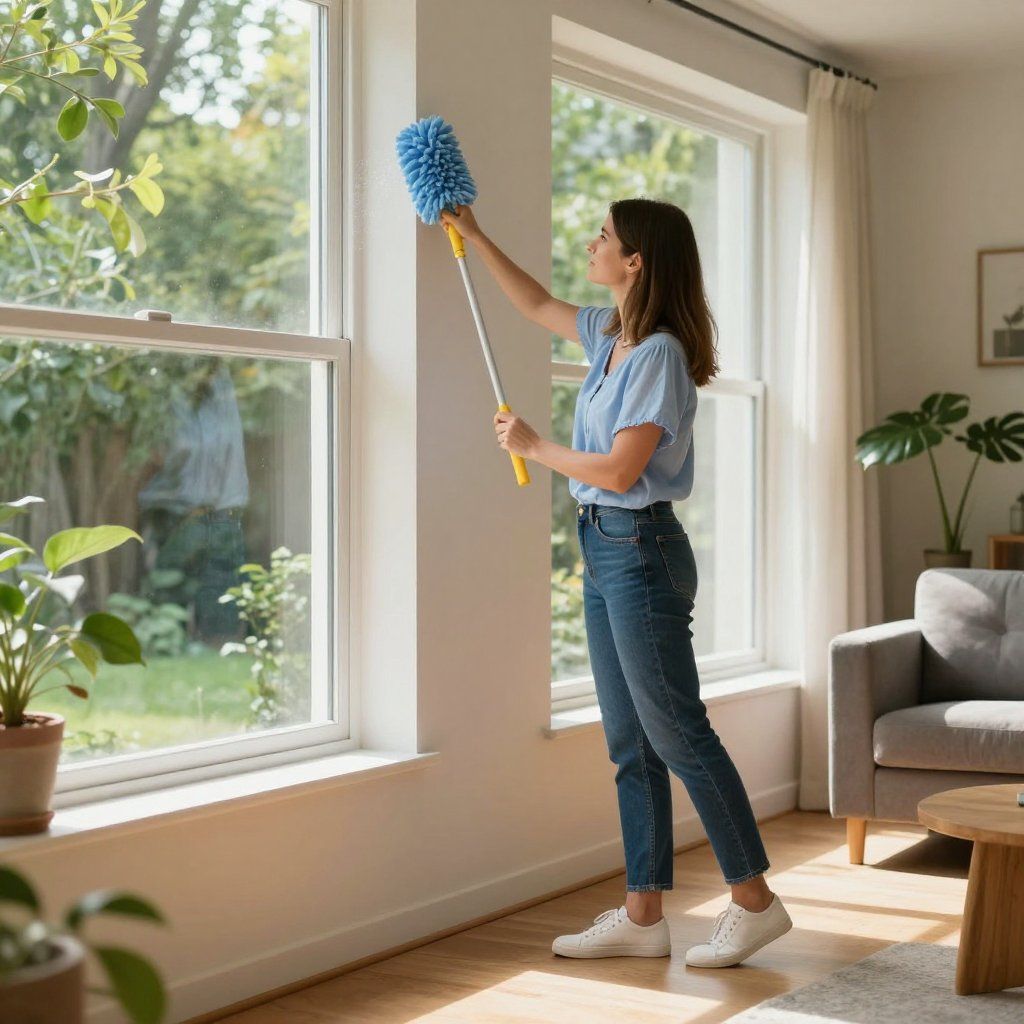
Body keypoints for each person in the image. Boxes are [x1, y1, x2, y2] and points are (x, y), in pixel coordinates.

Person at [438, 198, 792, 968]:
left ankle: (755, 901)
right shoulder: (610, 336)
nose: (592, 245)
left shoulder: (659, 354)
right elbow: (533, 302)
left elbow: (622, 469)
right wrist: (474, 233)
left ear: (635, 261)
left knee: (677, 733)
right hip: (602, 549)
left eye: (603, 237)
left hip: (641, 550)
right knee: (631, 745)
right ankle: (643, 916)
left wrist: (537, 444)